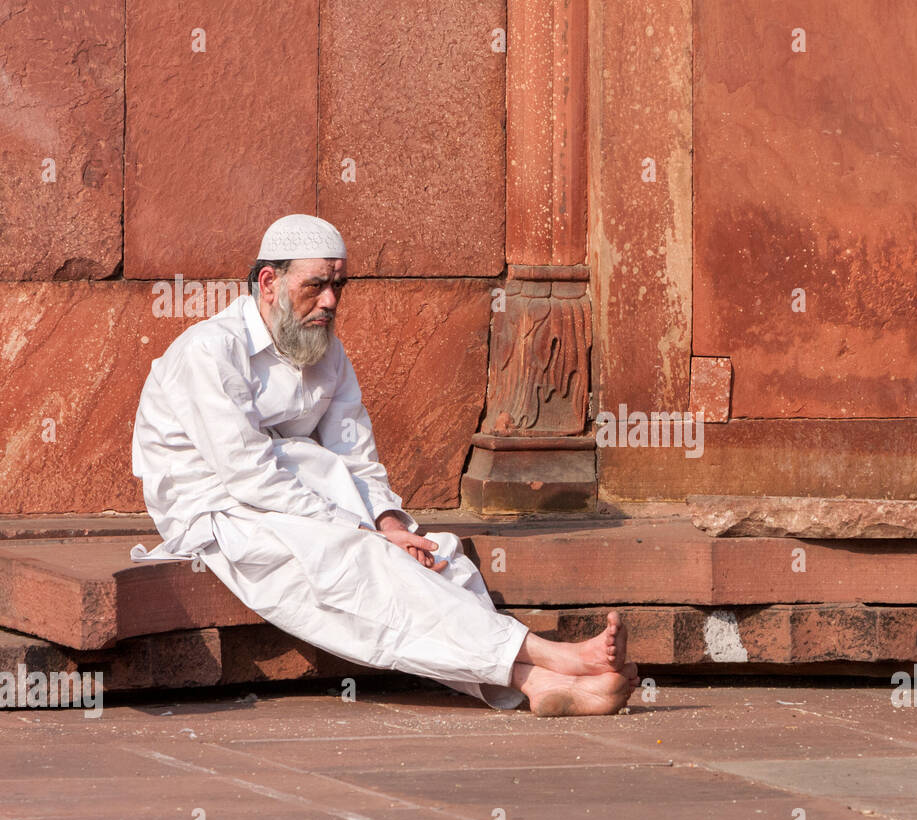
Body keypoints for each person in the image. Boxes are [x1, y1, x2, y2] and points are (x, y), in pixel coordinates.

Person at [130, 214, 636, 716]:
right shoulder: (210, 351)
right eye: (316, 286)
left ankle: (535, 682)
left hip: (304, 495)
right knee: (359, 564)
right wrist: (362, 530)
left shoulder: (326, 350)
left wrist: (389, 523)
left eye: (338, 286)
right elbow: (248, 475)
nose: (330, 302)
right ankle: (545, 653)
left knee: (436, 558)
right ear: (269, 282)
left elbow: (356, 456)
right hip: (217, 509)